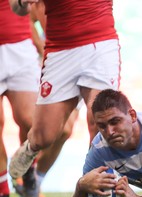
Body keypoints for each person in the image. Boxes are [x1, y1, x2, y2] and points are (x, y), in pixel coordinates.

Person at [7, 0, 121, 186]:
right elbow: (18, 9)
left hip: (101, 45)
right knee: (45, 136)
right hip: (60, 51)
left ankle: (100, 182)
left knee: (100, 118)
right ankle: (32, 146)